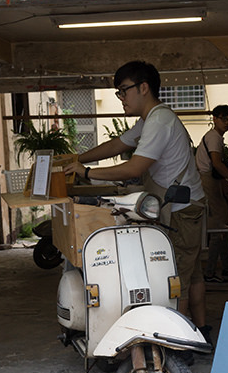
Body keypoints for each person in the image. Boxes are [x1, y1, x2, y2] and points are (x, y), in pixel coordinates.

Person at [65, 61, 211, 343]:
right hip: (184, 205)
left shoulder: (159, 121)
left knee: (175, 279)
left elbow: (134, 168)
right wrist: (78, 159)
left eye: (123, 91)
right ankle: (201, 330)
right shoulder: (149, 120)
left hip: (181, 210)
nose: (121, 99)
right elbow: (117, 144)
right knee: (191, 273)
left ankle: (180, 343)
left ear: (143, 88)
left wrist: (86, 172)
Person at [195, 104, 228, 283]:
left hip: (214, 182)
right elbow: (217, 165)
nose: (227, 123)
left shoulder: (216, 138)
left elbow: (219, 172)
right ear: (214, 119)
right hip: (207, 182)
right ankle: (210, 272)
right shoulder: (213, 138)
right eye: (223, 119)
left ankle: (226, 268)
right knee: (219, 228)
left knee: (225, 225)